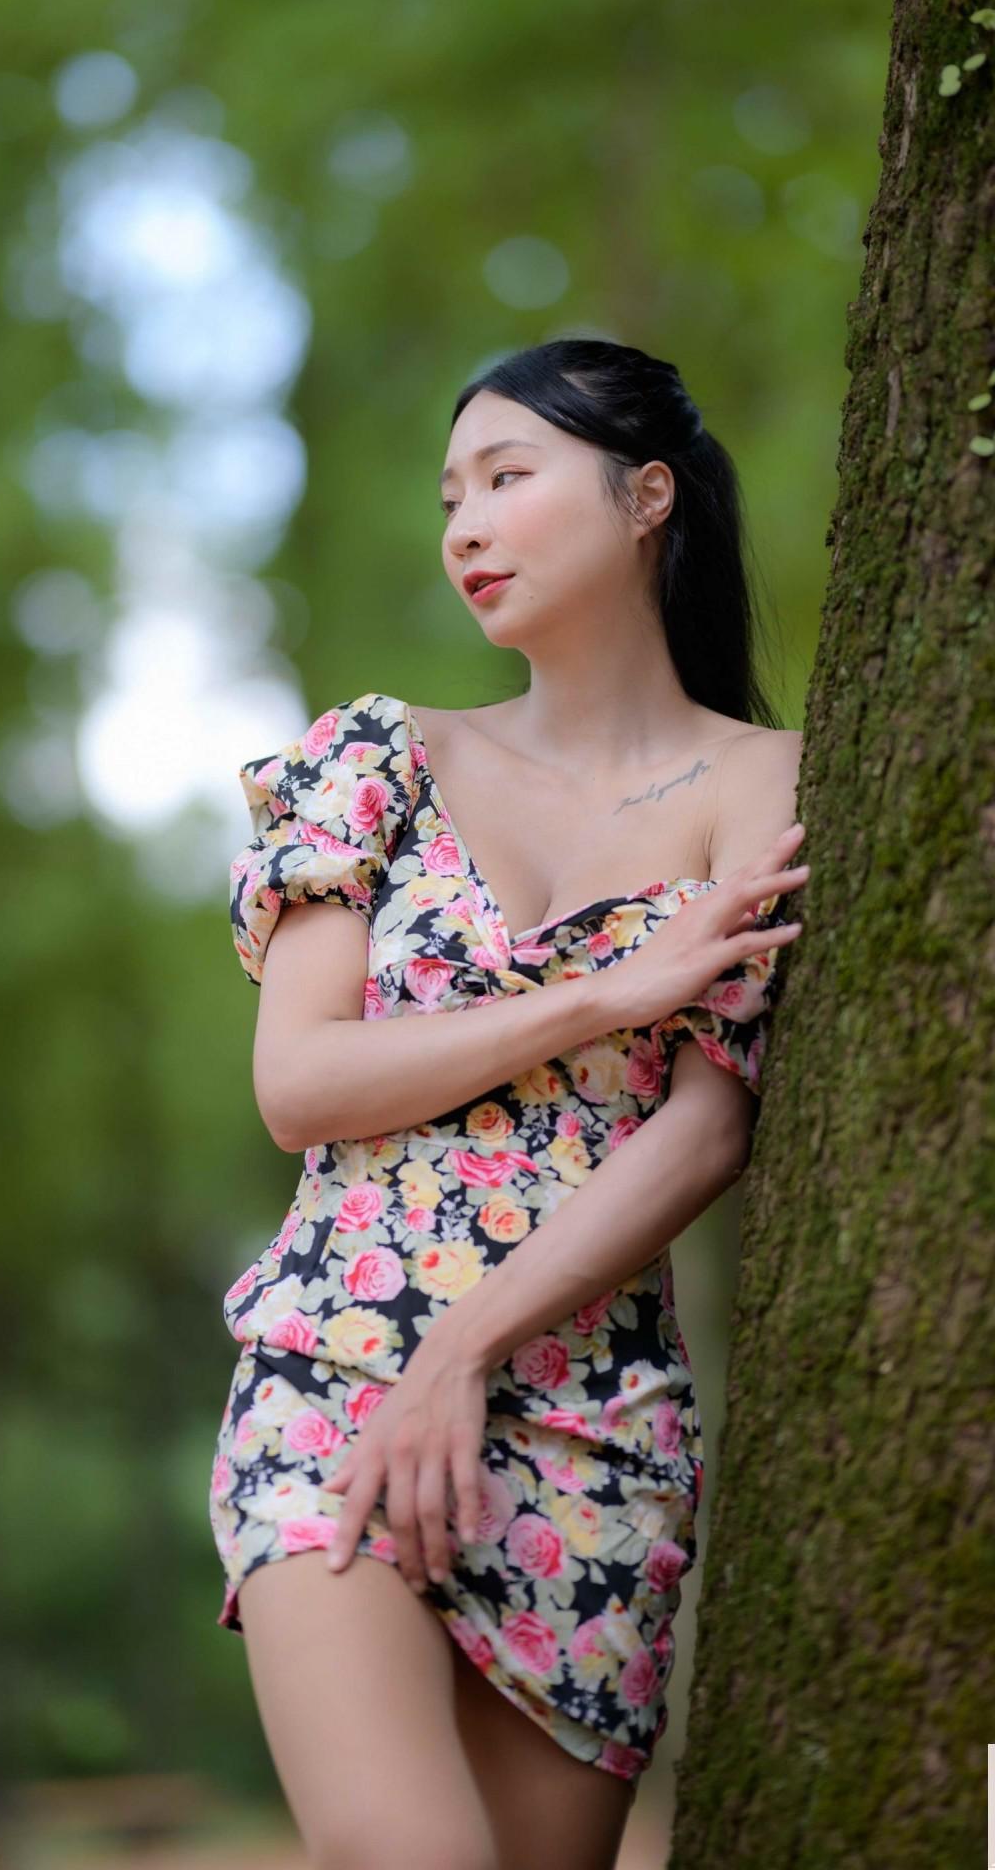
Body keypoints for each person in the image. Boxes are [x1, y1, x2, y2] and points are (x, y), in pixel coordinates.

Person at [208, 337, 810, 1870]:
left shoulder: (765, 783)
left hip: (593, 1425)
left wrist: (470, 1351)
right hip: (339, 1362)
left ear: (644, 497)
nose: (461, 524)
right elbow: (302, 1082)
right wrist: (603, 997)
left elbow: (707, 1124)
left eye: (505, 477)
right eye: (447, 495)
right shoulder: (378, 759)